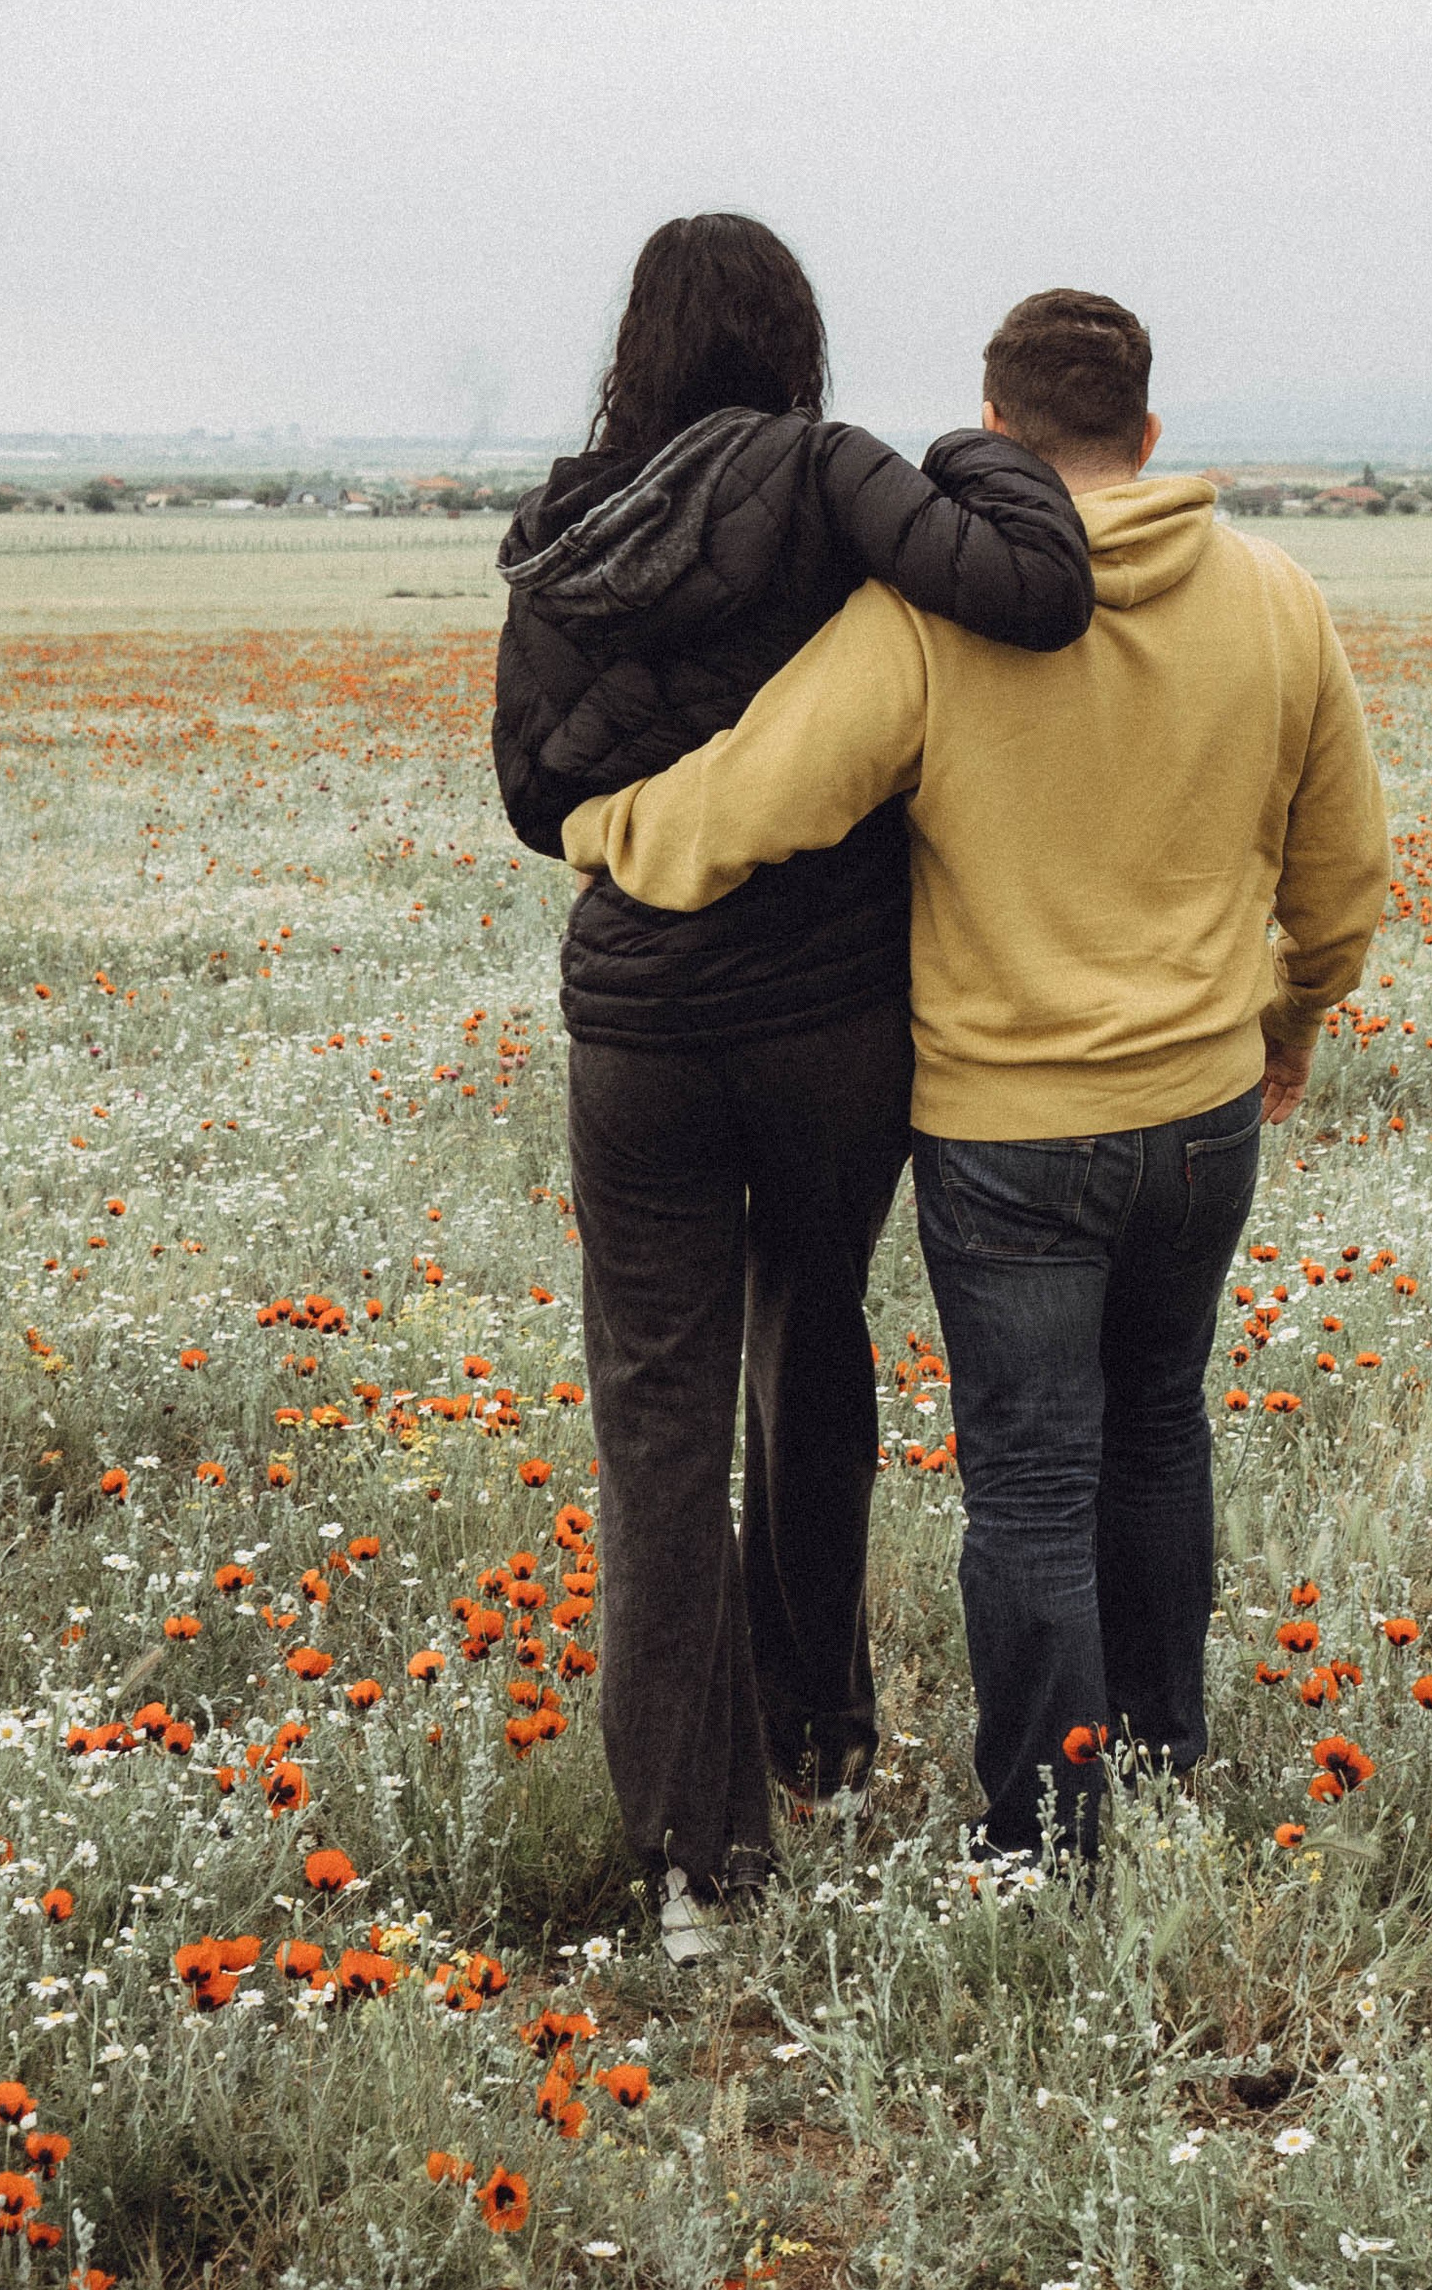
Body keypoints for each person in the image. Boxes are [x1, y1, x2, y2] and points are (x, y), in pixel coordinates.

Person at [562, 286, 1388, 1859]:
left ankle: (1044, 1839)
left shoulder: (936, 618)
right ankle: (1158, 1775)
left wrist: (599, 831)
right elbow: (1342, 874)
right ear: (1147, 435)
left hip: (1010, 1135)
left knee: (1028, 1481)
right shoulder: (1278, 597)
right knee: (1159, 1431)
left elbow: (748, 802)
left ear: (997, 430)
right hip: (1205, 1113)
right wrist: (1291, 1026)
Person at [493, 215, 1093, 1956]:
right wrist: (980, 442)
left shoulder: (566, 527)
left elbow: (536, 802)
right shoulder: (835, 478)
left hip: (641, 1038)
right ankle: (818, 1723)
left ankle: (697, 1864)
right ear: (793, 339)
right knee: (811, 1333)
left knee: (654, 1428)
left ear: (641, 343)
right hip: (835, 1019)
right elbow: (1037, 591)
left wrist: (650, 759)